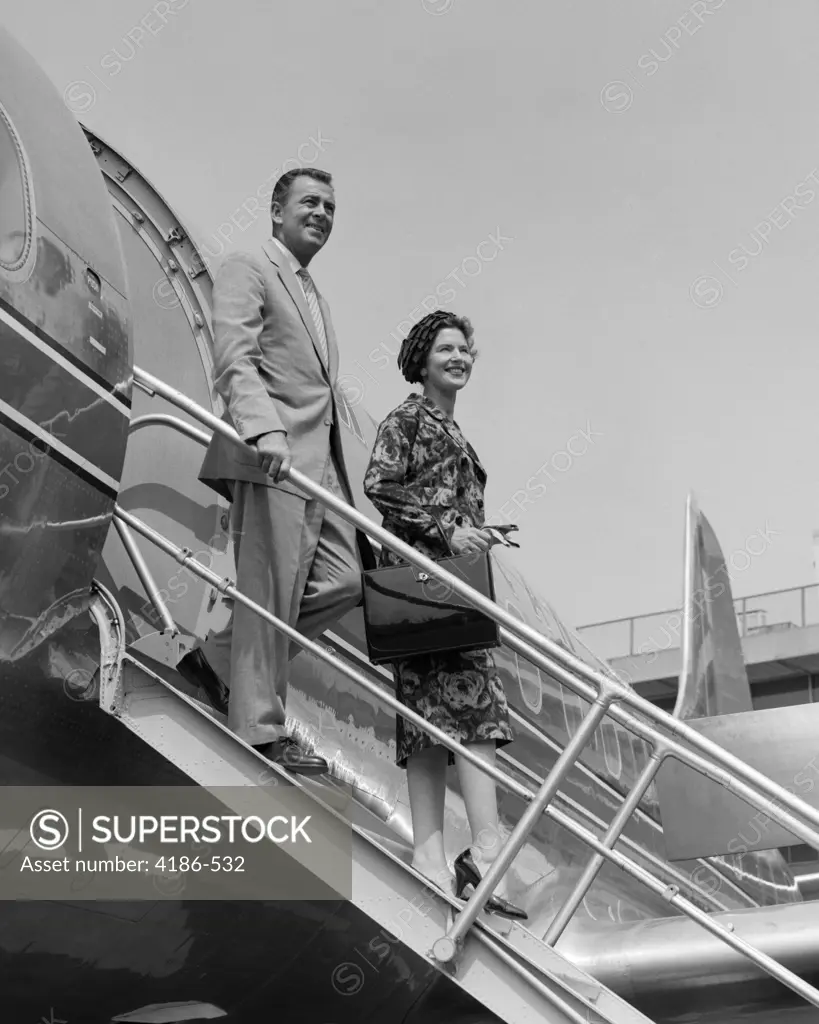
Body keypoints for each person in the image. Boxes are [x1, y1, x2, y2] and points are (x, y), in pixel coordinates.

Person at [177, 167, 362, 775]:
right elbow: (235, 356)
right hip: (272, 457)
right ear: (276, 211)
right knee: (269, 588)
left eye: (331, 206)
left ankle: (220, 658)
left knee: (343, 579)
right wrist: (265, 429)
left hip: (318, 470)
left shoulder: (318, 297)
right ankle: (258, 728)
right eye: (310, 202)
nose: (323, 213)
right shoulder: (248, 265)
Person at [363, 309, 527, 920]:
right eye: (447, 349)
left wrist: (477, 532)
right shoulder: (407, 418)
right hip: (423, 582)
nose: (460, 357)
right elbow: (379, 483)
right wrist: (449, 529)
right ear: (423, 360)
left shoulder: (453, 430)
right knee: (475, 712)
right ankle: (486, 852)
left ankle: (430, 858)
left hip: (443, 584)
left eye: (466, 350)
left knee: (432, 722)